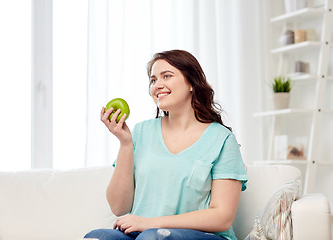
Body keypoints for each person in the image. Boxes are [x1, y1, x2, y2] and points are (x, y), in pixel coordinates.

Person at [84, 50, 248, 240]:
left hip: (200, 235)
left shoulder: (222, 139)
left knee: (153, 238)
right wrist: (125, 144)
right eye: (153, 80)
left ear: (191, 83)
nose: (157, 85)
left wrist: (152, 223)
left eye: (167, 76)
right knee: (98, 237)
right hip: (141, 233)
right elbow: (119, 207)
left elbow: (222, 217)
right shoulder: (140, 132)